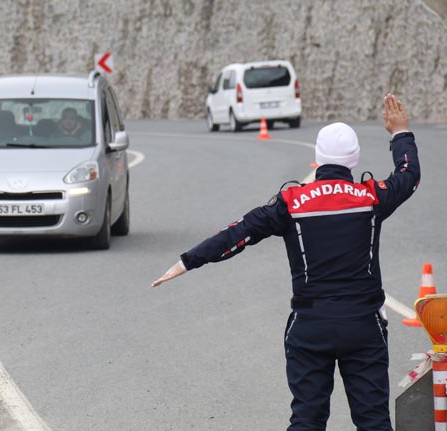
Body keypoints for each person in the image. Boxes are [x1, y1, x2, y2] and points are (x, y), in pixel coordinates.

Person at [151, 94, 420, 431]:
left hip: (309, 326)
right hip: (362, 325)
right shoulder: (370, 197)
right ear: (354, 159)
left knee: (306, 421)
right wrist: (400, 134)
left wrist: (187, 261)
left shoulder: (292, 202)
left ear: (317, 158)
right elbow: (409, 176)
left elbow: (239, 233)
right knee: (374, 422)